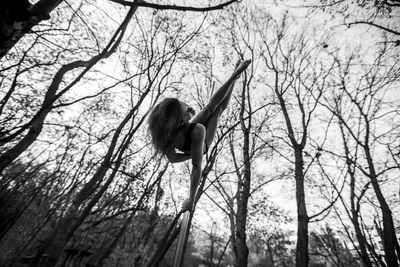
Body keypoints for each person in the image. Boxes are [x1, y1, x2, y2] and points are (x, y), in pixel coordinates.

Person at [148, 60, 251, 211]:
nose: (191, 109)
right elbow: (187, 164)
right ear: (180, 119)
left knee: (211, 107)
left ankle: (235, 76)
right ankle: (235, 76)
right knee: (217, 111)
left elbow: (175, 158)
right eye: (188, 111)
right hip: (201, 147)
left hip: (192, 138)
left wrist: (235, 74)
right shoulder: (190, 133)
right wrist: (191, 198)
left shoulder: (191, 128)